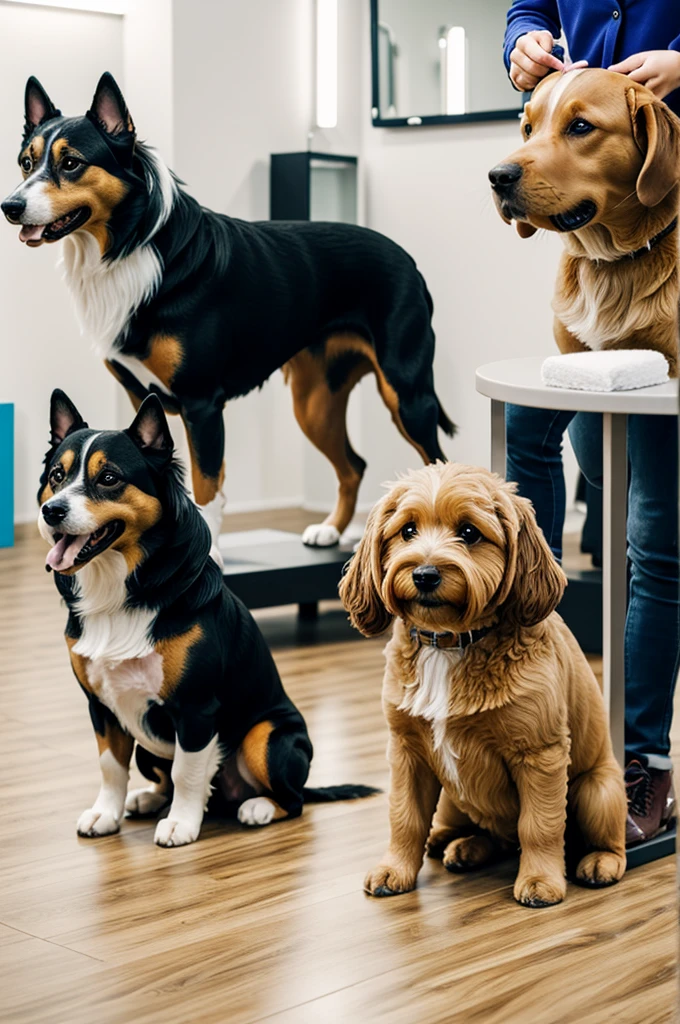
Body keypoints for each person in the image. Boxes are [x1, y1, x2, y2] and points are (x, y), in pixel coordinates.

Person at [503, 1, 680, 844]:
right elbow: (529, 3)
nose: (516, 162)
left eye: (561, 133)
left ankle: (642, 761)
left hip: (662, 213)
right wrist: (523, 40)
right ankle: (543, 702)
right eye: (529, 133)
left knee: (656, 534)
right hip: (592, 256)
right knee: (551, 446)